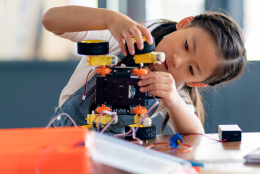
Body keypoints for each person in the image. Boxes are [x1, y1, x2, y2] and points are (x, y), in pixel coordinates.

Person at [42, 6, 247, 135]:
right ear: (184, 24)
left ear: (195, 83)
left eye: (192, 69)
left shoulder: (174, 86)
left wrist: (173, 100)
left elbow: (196, 133)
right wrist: (109, 19)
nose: (178, 60)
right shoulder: (121, 38)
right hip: (66, 138)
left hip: (115, 153)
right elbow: (50, 20)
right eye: (186, 46)